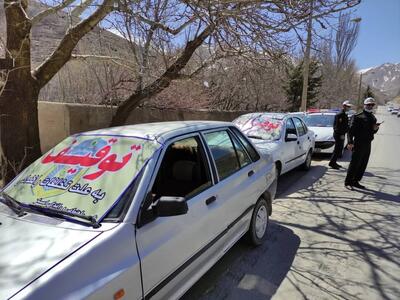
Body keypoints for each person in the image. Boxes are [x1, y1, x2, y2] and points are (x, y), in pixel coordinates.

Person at [345, 97, 380, 189]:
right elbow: (350, 131)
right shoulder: (357, 116)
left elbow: (372, 131)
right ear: (364, 105)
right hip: (358, 143)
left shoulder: (373, 117)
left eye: (372, 105)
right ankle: (348, 181)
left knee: (363, 163)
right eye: (368, 105)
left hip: (368, 143)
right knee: (355, 163)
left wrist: (375, 129)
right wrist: (350, 142)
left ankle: (356, 181)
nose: (370, 106)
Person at [329, 100, 352, 169]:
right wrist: (341, 134)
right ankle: (332, 163)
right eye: (348, 106)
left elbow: (344, 125)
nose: (349, 108)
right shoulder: (340, 114)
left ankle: (334, 162)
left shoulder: (344, 114)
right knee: (337, 149)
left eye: (349, 106)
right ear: (344, 106)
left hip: (341, 134)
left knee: (339, 149)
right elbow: (336, 127)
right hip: (339, 134)